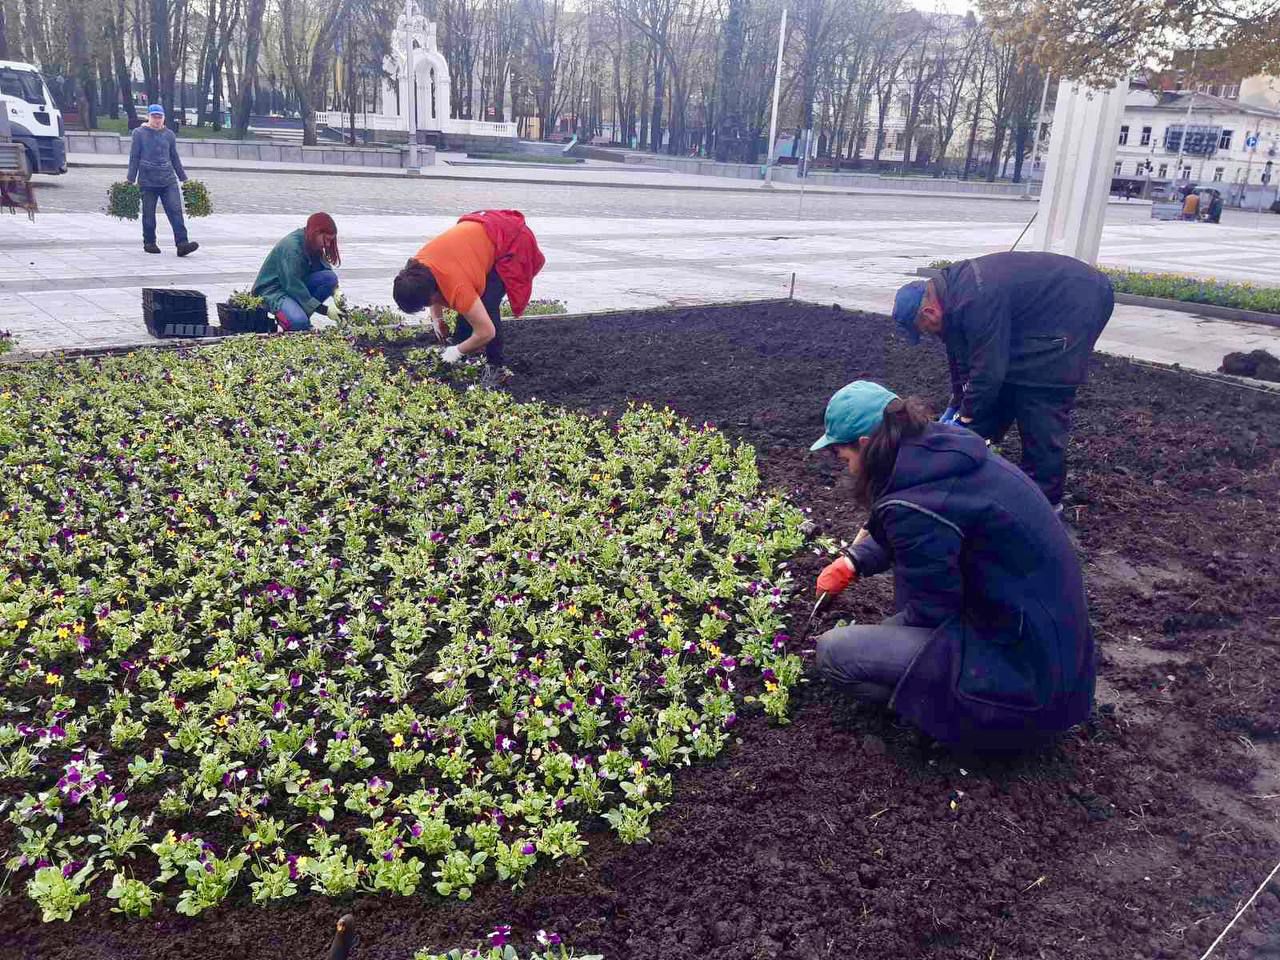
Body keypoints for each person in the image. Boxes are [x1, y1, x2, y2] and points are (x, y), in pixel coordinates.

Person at [809, 380, 1094, 750]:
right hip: (1054, 658)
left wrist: (887, 639)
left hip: (1024, 682)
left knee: (836, 653)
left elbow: (932, 612)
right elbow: (928, 525)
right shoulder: (939, 454)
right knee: (884, 635)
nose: (847, 470)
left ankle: (969, 727)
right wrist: (854, 560)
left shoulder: (916, 502)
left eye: (844, 458)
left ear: (864, 445)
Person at [891, 252, 1113, 511]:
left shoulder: (975, 300)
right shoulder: (950, 296)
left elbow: (988, 369)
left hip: (1077, 299)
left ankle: (1044, 502)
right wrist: (958, 402)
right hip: (1042, 309)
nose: (927, 335)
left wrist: (966, 418)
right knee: (1005, 386)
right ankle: (970, 457)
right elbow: (962, 356)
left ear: (929, 312)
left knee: (1039, 398)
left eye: (923, 329)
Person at [393, 209, 545, 386]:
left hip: (511, 240)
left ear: (430, 294)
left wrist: (456, 351)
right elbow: (432, 289)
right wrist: (437, 319)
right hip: (484, 233)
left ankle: (496, 367)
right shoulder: (417, 266)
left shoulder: (457, 286)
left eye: (426, 305)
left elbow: (487, 331)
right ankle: (465, 344)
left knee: (487, 304)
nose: (428, 306)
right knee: (471, 304)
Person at [126, 104, 198, 257]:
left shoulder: (169, 134)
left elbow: (174, 157)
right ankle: (149, 242)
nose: (157, 120)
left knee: (176, 211)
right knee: (148, 213)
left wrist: (183, 178)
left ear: (164, 118)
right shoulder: (139, 133)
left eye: (160, 117)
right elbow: (134, 157)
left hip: (168, 180)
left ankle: (182, 244)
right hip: (147, 180)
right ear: (148, 117)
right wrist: (130, 179)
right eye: (154, 117)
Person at [252, 213, 343, 332]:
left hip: (292, 286)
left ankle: (298, 313)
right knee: (299, 322)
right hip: (273, 291)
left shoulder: (312, 242)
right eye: (326, 239)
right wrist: (325, 310)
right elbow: (293, 286)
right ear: (316, 233)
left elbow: (323, 269)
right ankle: (290, 321)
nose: (327, 244)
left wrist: (335, 291)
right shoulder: (292, 247)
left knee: (329, 279)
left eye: (331, 241)